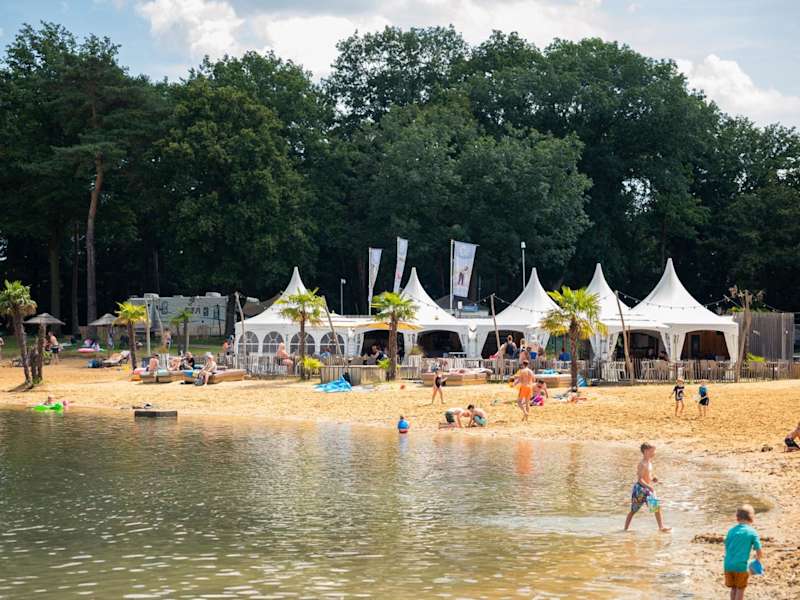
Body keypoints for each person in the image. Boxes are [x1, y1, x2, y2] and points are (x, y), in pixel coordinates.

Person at [624, 442, 670, 532]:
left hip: (647, 489)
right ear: (645, 451)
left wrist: (653, 479)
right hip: (640, 489)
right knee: (633, 510)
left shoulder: (649, 463)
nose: (654, 453)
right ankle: (625, 529)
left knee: (656, 506)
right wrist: (650, 487)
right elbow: (640, 479)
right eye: (652, 451)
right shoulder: (642, 464)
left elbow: (647, 476)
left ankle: (661, 527)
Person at [724, 504, 764, 600]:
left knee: (733, 588)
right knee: (740, 588)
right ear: (751, 518)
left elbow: (727, 547)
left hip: (728, 565)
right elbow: (759, 550)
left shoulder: (731, 531)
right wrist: (757, 560)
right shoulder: (752, 532)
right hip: (741, 566)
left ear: (737, 517)